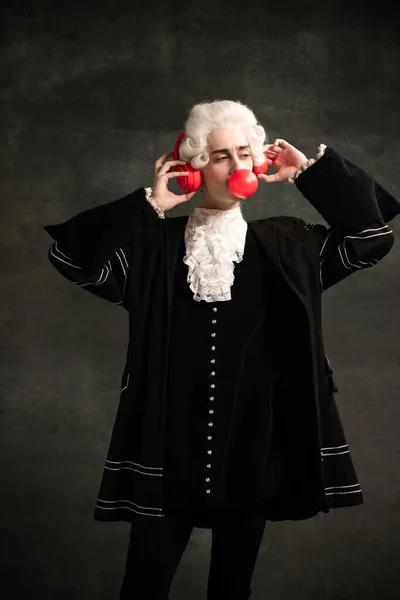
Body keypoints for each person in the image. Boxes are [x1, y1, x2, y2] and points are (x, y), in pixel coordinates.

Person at [44, 100, 399, 600]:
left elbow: (371, 236)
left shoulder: (291, 244)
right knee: (142, 588)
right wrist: (150, 205)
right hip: (167, 454)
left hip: (255, 453)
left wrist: (310, 175)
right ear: (193, 168)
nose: (235, 166)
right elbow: (71, 257)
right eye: (219, 156)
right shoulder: (154, 246)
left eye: (243, 153)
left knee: (232, 591)